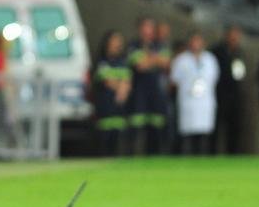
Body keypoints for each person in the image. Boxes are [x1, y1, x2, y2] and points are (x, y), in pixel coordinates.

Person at [169, 30, 220, 155]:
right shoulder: (181, 60)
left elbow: (214, 79)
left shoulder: (210, 59)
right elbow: (174, 81)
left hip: (204, 103)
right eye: (193, 41)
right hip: (188, 102)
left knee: (204, 135)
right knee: (187, 135)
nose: (196, 44)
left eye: (198, 41)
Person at [127, 16, 170, 155]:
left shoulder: (161, 45)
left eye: (150, 27)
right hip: (138, 94)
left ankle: (154, 163)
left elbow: (166, 63)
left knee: (156, 131)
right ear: (139, 28)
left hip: (157, 94)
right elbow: (140, 65)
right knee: (136, 129)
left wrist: (149, 59)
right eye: (145, 26)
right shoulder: (133, 45)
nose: (148, 30)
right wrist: (155, 59)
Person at [91, 30, 131, 156]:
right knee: (104, 139)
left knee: (117, 138)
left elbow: (127, 81)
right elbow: (107, 81)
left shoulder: (123, 62)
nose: (117, 44)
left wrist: (123, 89)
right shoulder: (101, 61)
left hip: (119, 107)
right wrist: (121, 88)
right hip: (105, 106)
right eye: (114, 40)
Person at [211, 25, 246, 154]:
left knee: (234, 127)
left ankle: (232, 153)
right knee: (217, 127)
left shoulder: (239, 52)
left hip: (235, 95)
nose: (235, 38)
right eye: (233, 35)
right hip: (220, 94)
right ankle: (212, 153)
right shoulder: (217, 51)